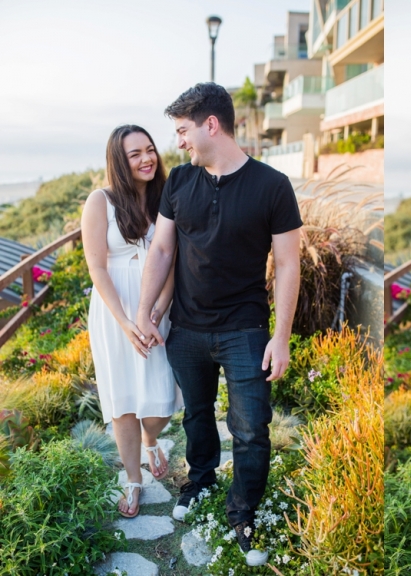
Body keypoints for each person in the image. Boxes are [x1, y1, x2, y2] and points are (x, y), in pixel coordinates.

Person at [134, 83, 301, 567]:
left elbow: (288, 265)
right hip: (185, 327)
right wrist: (147, 311)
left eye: (183, 130)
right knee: (197, 415)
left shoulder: (273, 185)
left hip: (245, 329)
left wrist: (281, 336)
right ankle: (200, 479)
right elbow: (163, 249)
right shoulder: (180, 183)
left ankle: (243, 509)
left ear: (211, 125)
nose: (179, 142)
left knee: (251, 429)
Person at [82, 124, 184, 518]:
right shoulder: (100, 202)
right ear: (119, 163)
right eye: (134, 154)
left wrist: (156, 311)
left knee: (160, 404)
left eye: (149, 150)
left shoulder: (166, 198)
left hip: (158, 307)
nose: (146, 159)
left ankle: (151, 438)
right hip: (114, 313)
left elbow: (172, 258)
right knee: (122, 399)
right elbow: (97, 267)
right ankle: (133, 479)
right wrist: (125, 322)